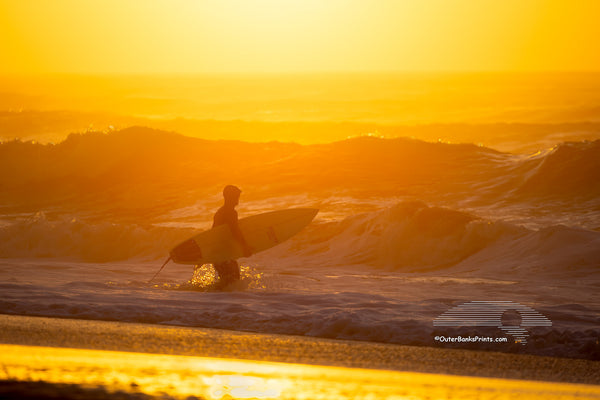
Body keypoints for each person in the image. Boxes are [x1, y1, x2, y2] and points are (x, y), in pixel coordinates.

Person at [211, 185, 252, 286]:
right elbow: (235, 230)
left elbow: (212, 234)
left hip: (219, 255)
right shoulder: (230, 212)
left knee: (227, 284)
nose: (238, 199)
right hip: (223, 256)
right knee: (233, 282)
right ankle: (219, 300)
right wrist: (244, 246)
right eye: (236, 196)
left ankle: (216, 299)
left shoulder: (220, 212)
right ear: (229, 197)